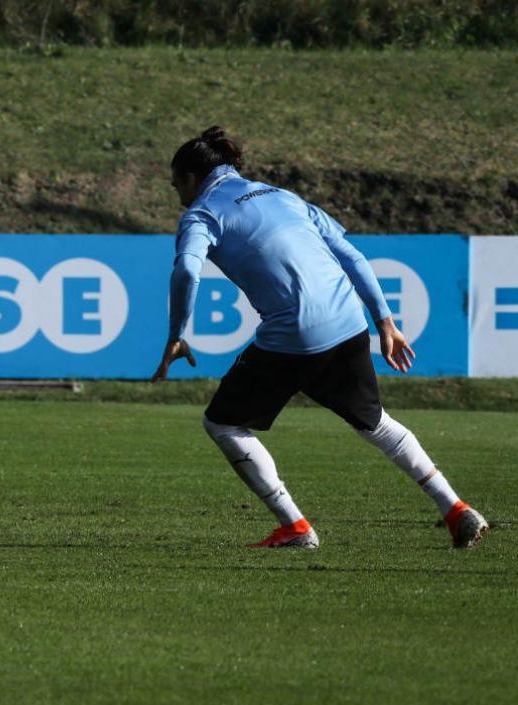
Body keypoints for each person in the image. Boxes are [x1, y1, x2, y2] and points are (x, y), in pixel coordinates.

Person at [152, 126, 488, 550]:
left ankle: (294, 527)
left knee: (222, 422)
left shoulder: (201, 214)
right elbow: (350, 254)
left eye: (175, 184)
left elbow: (186, 270)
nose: (177, 195)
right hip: (348, 322)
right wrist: (385, 320)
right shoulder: (281, 196)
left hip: (292, 335)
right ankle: (455, 508)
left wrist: (177, 334)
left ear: (191, 178)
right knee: (376, 423)